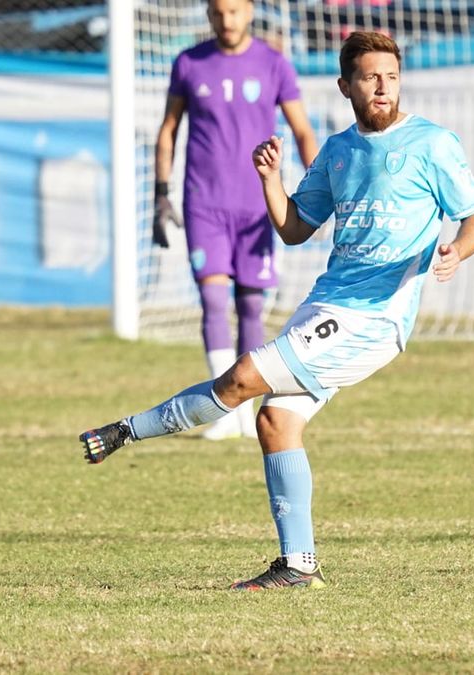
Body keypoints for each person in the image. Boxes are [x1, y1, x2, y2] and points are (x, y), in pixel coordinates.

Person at [81, 31, 474, 590]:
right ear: (345, 85)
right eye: (370, 78)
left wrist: (455, 252)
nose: (382, 88)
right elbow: (295, 229)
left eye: (391, 77)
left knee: (245, 377)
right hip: (327, 303)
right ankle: (299, 566)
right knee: (275, 422)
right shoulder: (340, 151)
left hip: (374, 317)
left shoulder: (433, 144)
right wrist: (270, 181)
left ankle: (126, 431)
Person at [153, 0, 318, 440]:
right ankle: (221, 412)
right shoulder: (189, 63)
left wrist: (324, 186)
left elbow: (302, 129)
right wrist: (160, 192)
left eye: (235, 11)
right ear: (209, 14)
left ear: (248, 12)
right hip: (204, 203)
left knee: (249, 304)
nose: (227, 21)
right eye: (219, 12)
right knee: (212, 300)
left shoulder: (273, 63)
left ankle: (242, 405)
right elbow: (169, 128)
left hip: (257, 205)